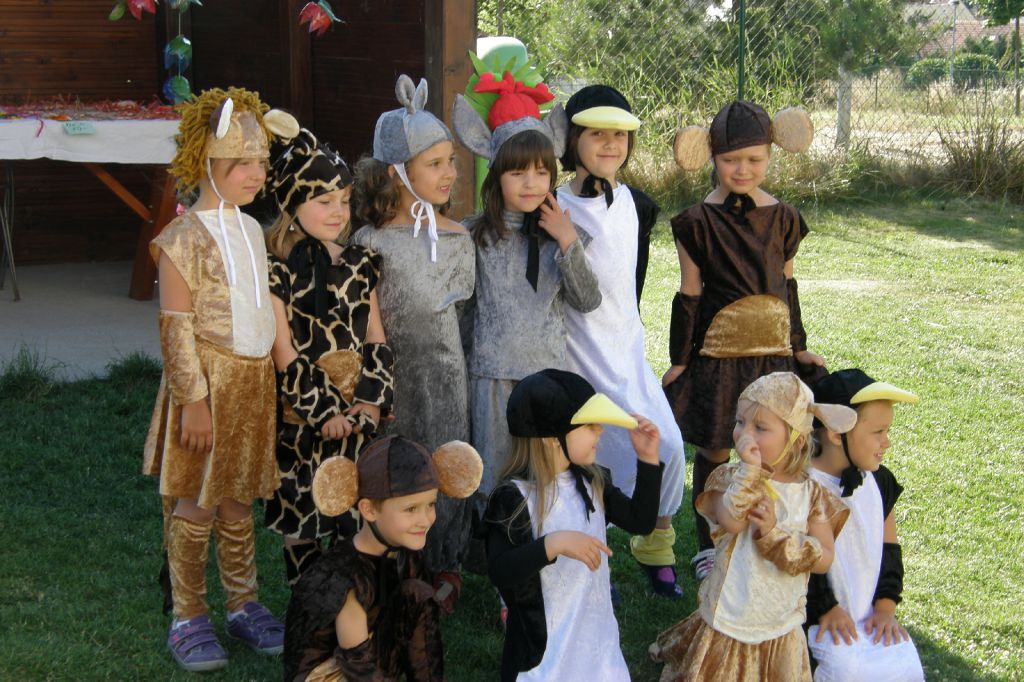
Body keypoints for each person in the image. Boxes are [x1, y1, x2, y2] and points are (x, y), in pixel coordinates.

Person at [143, 87, 299, 671]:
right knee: (196, 503)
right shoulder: (180, 238)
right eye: (243, 163)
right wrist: (193, 401)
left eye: (262, 161)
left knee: (236, 500)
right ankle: (188, 614)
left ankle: (242, 603)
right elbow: (175, 329)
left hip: (252, 389)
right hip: (206, 391)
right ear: (208, 159)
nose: (257, 174)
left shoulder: (253, 230)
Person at [663, 100, 826, 581]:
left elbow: (788, 285)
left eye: (754, 159)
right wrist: (681, 359)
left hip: (773, 358)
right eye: (731, 159)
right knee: (716, 448)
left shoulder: (785, 218)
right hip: (718, 357)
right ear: (710, 156)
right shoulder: (696, 222)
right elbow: (690, 292)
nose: (742, 169)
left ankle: (771, 533)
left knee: (775, 449)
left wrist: (798, 346)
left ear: (771, 154)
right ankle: (709, 546)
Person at [553, 84, 687, 597]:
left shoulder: (637, 204)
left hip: (625, 350)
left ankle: (656, 541)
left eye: (620, 134)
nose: (610, 144)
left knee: (668, 445)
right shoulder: (555, 204)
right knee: (589, 455)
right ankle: (589, 546)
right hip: (578, 351)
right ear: (572, 139)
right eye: (596, 134)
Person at [351, 75, 475, 606]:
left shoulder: (458, 239)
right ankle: (395, 558)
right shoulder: (369, 243)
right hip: (393, 379)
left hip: (446, 378)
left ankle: (446, 561)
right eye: (435, 163)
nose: (450, 173)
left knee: (445, 457)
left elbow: (462, 315)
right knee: (396, 462)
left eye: (451, 162)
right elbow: (364, 319)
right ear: (398, 173)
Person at [452, 70, 601, 495]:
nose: (531, 183)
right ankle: (492, 534)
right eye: (517, 173)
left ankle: (544, 531)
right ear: (496, 175)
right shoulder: (475, 236)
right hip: (492, 378)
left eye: (540, 172)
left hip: (545, 377)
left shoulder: (563, 235)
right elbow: (464, 310)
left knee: (543, 476)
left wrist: (567, 241)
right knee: (493, 473)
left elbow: (587, 299)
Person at [650, 372, 852, 682]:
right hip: (731, 610)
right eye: (740, 422)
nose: (744, 434)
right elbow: (731, 521)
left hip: (780, 620)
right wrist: (749, 474)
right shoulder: (731, 478)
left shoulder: (813, 496)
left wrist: (775, 535)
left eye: (760, 427)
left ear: (796, 439)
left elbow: (824, 557)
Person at [262, 128, 394, 585]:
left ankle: (354, 598)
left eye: (344, 200)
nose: (339, 211)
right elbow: (283, 352)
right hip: (303, 419)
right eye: (324, 202)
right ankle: (308, 600)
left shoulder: (360, 263)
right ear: (292, 204)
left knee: (354, 509)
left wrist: (372, 401)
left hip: (357, 418)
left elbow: (376, 337)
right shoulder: (276, 271)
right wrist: (323, 413)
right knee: (302, 513)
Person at [486, 368, 663, 681]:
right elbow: (501, 571)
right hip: (543, 652)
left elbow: (642, 522)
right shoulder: (515, 498)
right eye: (590, 426)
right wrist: (554, 544)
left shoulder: (594, 481)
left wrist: (648, 460)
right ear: (552, 439)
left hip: (596, 638)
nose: (600, 431)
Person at [283, 435, 483, 681]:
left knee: (418, 595)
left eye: (430, 505)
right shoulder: (346, 579)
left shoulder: (405, 553)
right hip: (335, 674)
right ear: (368, 510)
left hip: (372, 657)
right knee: (416, 594)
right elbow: (360, 668)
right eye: (410, 509)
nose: (425, 519)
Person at [806, 369, 925, 681]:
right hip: (815, 616)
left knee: (906, 666)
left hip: (867, 615)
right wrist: (827, 608)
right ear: (835, 433)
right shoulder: (802, 487)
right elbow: (801, 559)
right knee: (844, 670)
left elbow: (889, 550)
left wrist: (885, 608)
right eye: (878, 432)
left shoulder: (879, 482)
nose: (887, 442)